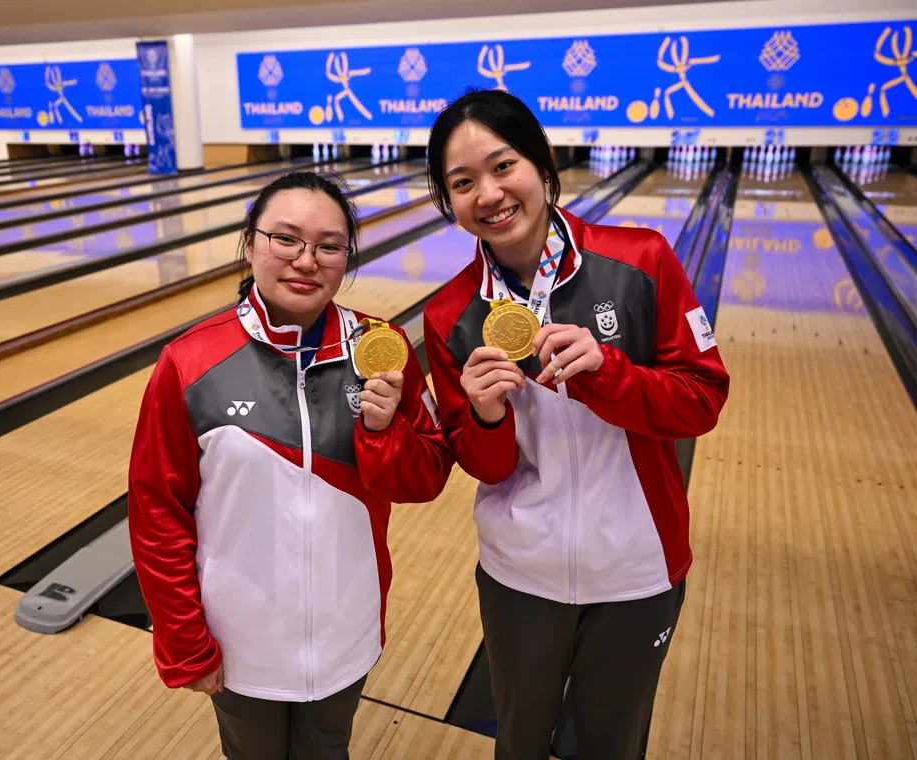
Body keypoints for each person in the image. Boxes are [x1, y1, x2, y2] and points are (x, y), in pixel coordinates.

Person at [421, 88, 730, 759]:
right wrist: (485, 415)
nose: (490, 194)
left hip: (637, 568)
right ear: (450, 203)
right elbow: (487, 465)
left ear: (542, 162)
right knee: (520, 741)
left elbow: (702, 399)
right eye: (463, 182)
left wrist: (609, 373)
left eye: (504, 167)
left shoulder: (641, 261)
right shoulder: (450, 314)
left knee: (610, 746)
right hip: (519, 573)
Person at [127, 170, 453, 760]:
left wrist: (383, 434)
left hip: (346, 633)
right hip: (238, 641)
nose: (307, 260)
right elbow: (157, 512)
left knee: (329, 749)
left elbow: (427, 477)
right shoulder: (188, 362)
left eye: (329, 246)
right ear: (250, 243)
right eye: (286, 239)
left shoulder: (383, 349)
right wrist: (184, 641)